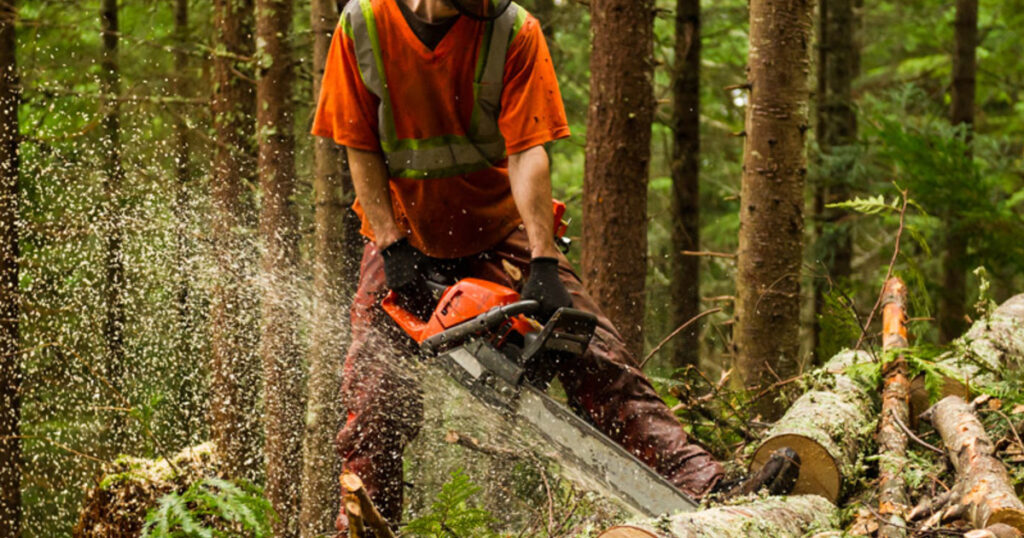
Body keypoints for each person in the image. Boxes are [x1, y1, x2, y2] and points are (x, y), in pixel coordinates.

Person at [312, 0, 795, 532]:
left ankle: (703, 485)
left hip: (498, 227)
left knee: (593, 348)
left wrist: (542, 258)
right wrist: (391, 245)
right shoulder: (364, 23)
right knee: (372, 394)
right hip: (399, 234)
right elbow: (356, 141)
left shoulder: (512, 30)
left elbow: (528, 151)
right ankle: (363, 526)